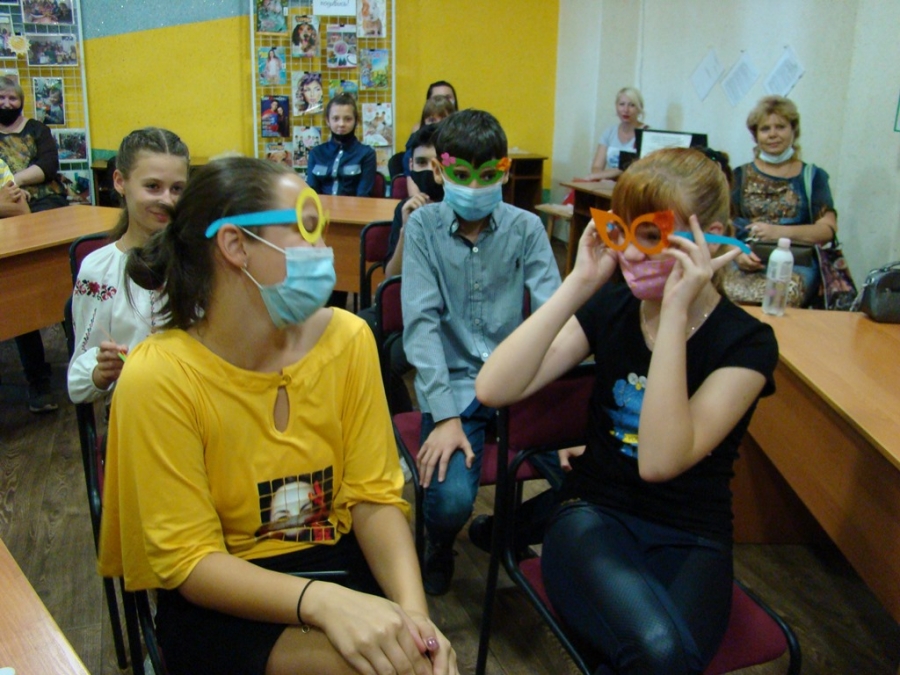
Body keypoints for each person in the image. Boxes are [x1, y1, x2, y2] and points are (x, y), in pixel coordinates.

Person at [98, 157, 458, 675]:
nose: (324, 248)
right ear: (236, 245)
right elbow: (189, 560)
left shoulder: (349, 340)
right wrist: (322, 603)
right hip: (225, 595)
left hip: (339, 564)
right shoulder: (159, 377)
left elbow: (374, 498)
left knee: (417, 663)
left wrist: (416, 618)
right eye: (305, 228)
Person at [475, 148, 778, 674]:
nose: (632, 254)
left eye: (652, 236)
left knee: (662, 662)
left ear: (711, 237)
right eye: (621, 232)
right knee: (661, 654)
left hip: (693, 534)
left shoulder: (746, 343)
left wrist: (676, 310)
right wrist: (580, 283)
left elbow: (661, 461)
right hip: (594, 514)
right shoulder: (612, 308)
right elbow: (494, 387)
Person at [401, 110, 562, 595]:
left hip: (518, 381)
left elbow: (555, 315)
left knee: (593, 475)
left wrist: (565, 414)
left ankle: (502, 532)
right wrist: (445, 416)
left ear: (505, 172)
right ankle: (440, 543)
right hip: (454, 385)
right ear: (439, 171)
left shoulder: (526, 227)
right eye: (462, 174)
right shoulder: (424, 228)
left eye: (488, 174)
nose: (475, 187)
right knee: (450, 501)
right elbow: (421, 326)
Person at [67, 127, 189, 405]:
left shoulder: (200, 259)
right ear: (120, 182)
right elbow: (77, 381)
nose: (167, 200)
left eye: (177, 189)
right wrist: (101, 373)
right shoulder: (100, 270)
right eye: (153, 186)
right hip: (135, 410)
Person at [358, 123, 443, 414]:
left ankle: (402, 420)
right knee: (358, 334)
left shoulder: (461, 209)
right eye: (420, 163)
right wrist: (407, 229)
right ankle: (395, 419)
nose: (427, 171)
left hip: (441, 315)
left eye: (434, 163)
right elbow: (391, 276)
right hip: (406, 305)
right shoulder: (406, 208)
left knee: (389, 357)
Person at [0, 74, 69, 412]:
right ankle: (37, 381)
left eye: (11, 98)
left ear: (22, 100)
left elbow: (48, 165)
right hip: (7, 215)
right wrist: (10, 198)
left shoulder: (38, 130)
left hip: (47, 206)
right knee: (19, 299)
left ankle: (82, 365)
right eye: (1, 98)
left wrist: (11, 183)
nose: (6, 104)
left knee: (66, 290)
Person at [729, 95, 837, 305]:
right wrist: (736, 253)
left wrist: (777, 232)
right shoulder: (739, 176)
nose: (773, 134)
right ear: (756, 135)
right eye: (765, 129)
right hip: (746, 259)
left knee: (777, 298)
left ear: (793, 130)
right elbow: (723, 225)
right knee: (723, 294)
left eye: (780, 127)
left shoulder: (812, 176)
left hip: (796, 262)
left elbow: (827, 230)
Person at [306, 93, 376, 197]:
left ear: (356, 121)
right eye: (335, 118)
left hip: (355, 207)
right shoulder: (316, 153)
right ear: (327, 121)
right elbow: (311, 193)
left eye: (348, 119)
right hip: (322, 207)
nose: (341, 124)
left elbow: (363, 195)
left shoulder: (367, 154)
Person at [584, 87, 647, 181]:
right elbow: (596, 167)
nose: (626, 110)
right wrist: (603, 178)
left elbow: (636, 170)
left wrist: (605, 175)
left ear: (639, 108)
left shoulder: (646, 134)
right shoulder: (609, 132)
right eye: (622, 104)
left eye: (632, 105)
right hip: (608, 185)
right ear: (616, 106)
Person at [404, 96, 456, 197]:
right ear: (424, 122)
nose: (438, 124)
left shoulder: (459, 147)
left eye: (444, 119)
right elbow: (414, 189)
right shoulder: (415, 149)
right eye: (432, 119)